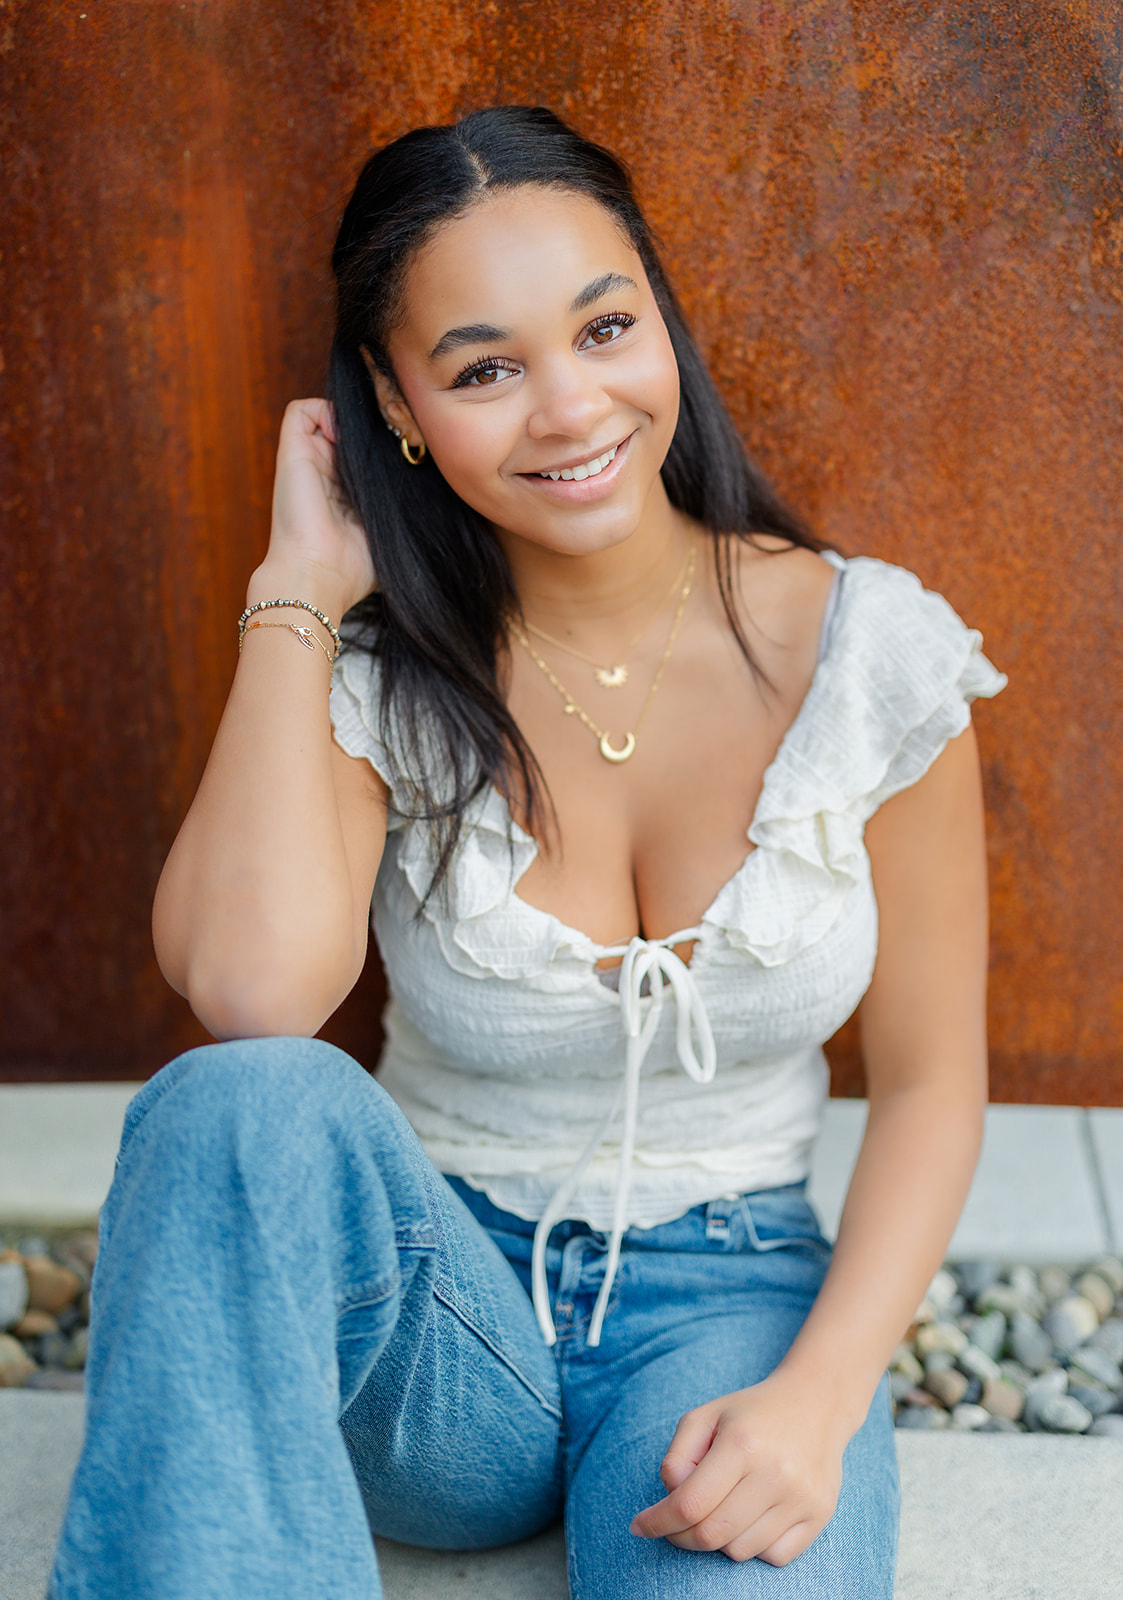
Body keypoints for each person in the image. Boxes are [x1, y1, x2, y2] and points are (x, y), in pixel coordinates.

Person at [50, 106, 1005, 1599]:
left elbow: (939, 1085)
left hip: (730, 1302)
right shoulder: (378, 681)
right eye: (485, 367)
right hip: (436, 1308)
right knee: (237, 1104)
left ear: (661, 328)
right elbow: (248, 993)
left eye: (604, 328)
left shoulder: (869, 656)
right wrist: (296, 587)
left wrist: (821, 1396)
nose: (569, 408)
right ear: (399, 403)